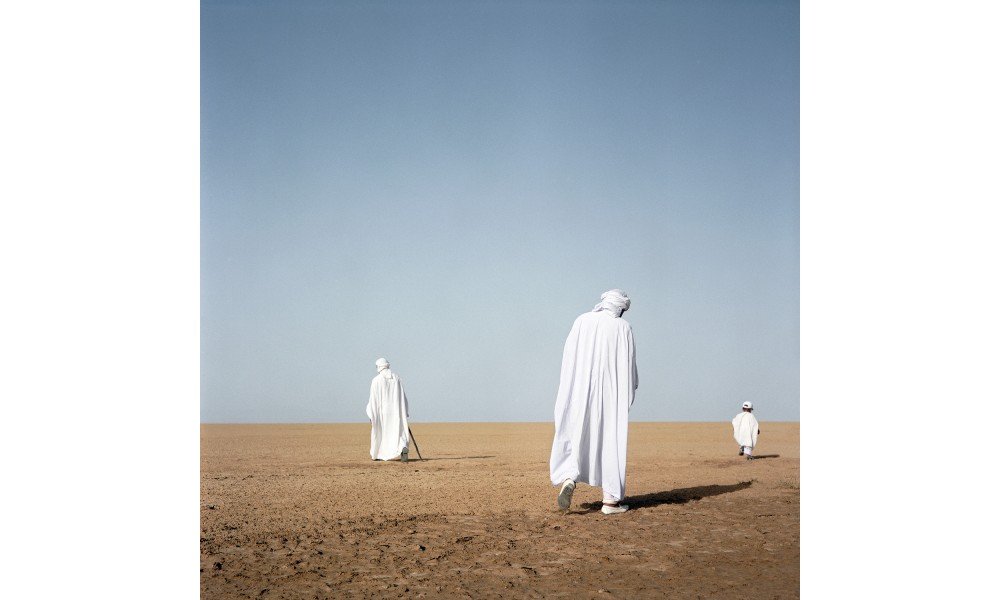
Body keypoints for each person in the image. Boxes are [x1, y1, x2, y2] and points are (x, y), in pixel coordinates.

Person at [549, 289, 638, 515]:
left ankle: (569, 477)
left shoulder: (582, 321)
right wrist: (629, 390)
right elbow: (629, 368)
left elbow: (568, 358)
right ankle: (610, 502)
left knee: (577, 432)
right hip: (610, 395)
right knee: (610, 441)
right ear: (620, 307)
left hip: (579, 391)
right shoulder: (623, 328)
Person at [366, 358, 411, 462]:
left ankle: (379, 454)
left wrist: (371, 414)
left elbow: (373, 400)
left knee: (381, 433)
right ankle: (402, 447)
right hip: (396, 412)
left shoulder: (376, 380)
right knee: (398, 431)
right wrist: (405, 411)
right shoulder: (396, 378)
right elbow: (402, 397)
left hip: (381, 413)